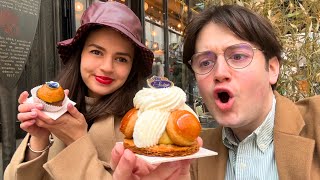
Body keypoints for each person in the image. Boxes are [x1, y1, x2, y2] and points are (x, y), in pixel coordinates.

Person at [110, 4, 320, 180]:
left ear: (272, 69)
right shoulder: (189, 157)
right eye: (206, 62)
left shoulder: (316, 123)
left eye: (238, 56)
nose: (219, 73)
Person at [4, 1, 154, 179]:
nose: (107, 67)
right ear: (80, 53)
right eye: (97, 52)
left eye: (121, 59)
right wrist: (39, 137)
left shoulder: (142, 125)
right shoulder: (54, 107)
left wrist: (76, 141)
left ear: (131, 68)